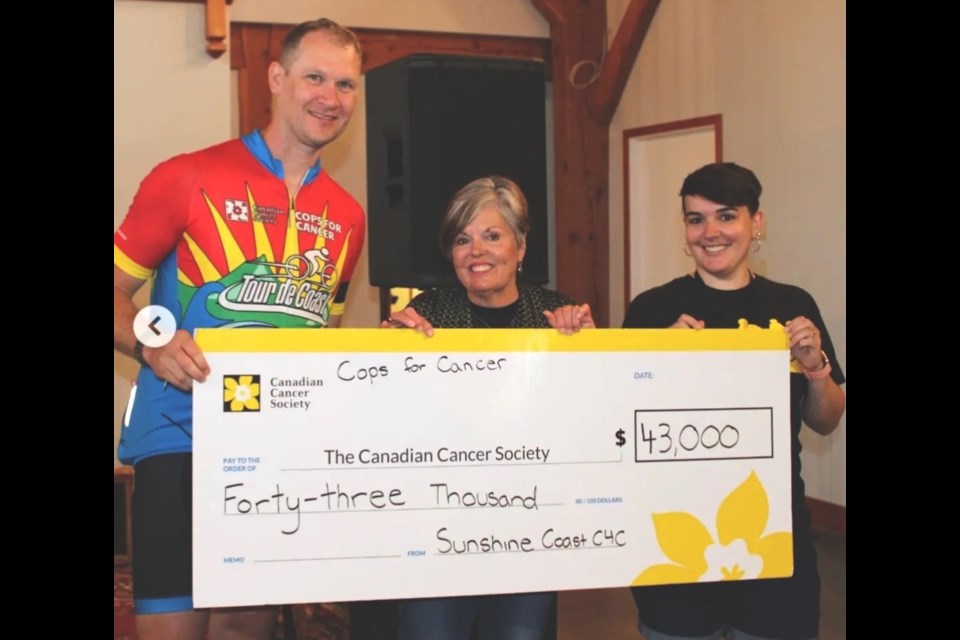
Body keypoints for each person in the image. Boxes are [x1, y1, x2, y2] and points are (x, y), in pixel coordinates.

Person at [113, 18, 364, 640]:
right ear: (276, 78)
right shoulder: (187, 176)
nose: (330, 98)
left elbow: (321, 347)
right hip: (179, 438)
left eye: (346, 85)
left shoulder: (349, 216)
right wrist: (150, 341)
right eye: (314, 77)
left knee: (246, 628)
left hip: (277, 455)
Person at [623, 162, 846, 640]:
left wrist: (815, 367)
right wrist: (656, 359)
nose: (711, 232)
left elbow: (825, 421)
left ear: (756, 223)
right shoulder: (651, 309)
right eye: (695, 218)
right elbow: (617, 422)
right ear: (684, 229)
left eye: (727, 216)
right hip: (677, 537)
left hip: (775, 534)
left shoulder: (792, 306)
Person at [382, 175, 594, 640]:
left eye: (492, 236)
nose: (476, 251)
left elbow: (587, 424)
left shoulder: (556, 316)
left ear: (520, 246)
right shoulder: (426, 316)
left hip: (528, 531)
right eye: (463, 239)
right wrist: (386, 360)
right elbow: (392, 423)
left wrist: (588, 359)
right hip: (437, 531)